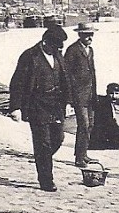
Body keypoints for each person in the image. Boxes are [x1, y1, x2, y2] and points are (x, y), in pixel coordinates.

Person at [8, 25, 72, 192]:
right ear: (45, 42)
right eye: (55, 46)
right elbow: (17, 83)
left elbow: (66, 80)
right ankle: (46, 180)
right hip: (37, 105)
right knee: (43, 143)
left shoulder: (58, 55)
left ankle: (42, 160)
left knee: (58, 139)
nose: (57, 50)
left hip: (56, 105)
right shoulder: (30, 56)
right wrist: (15, 107)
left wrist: (69, 102)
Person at [64, 23, 101, 168]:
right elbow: (66, 76)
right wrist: (69, 99)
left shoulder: (90, 50)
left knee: (90, 125)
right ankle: (79, 158)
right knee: (84, 125)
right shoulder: (72, 50)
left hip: (90, 95)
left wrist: (95, 94)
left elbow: (93, 73)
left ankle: (83, 154)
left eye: (91, 34)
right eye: (86, 34)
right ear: (80, 35)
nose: (89, 37)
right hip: (78, 96)